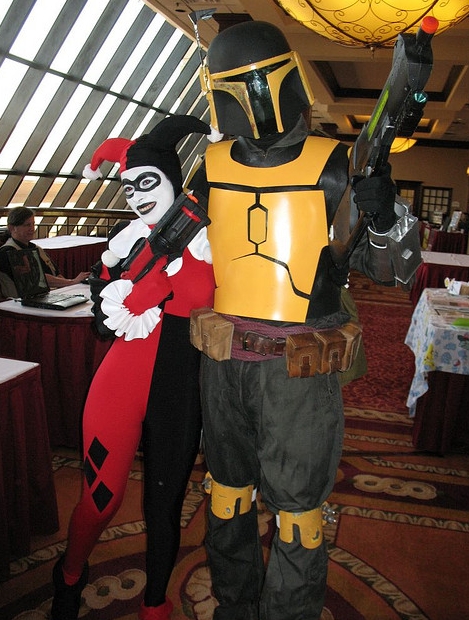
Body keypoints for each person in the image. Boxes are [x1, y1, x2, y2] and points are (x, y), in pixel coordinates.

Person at [187, 21, 414, 620]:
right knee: (226, 495)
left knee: (298, 517)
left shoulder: (334, 166)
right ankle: (235, 606)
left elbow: (392, 270)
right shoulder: (210, 165)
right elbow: (179, 240)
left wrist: (384, 215)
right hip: (224, 362)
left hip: (298, 371)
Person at [50, 115, 216, 620]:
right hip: (121, 381)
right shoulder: (124, 246)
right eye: (128, 188)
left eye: (147, 182)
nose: (137, 196)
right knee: (100, 498)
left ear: (173, 180)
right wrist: (136, 287)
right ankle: (69, 573)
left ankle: (154, 603)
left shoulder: (212, 241)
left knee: (165, 506)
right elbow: (104, 323)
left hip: (181, 386)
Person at [0, 206, 90, 292]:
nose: (32, 229)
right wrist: (71, 282)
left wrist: (68, 288)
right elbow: (38, 278)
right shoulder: (7, 252)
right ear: (12, 228)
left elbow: (55, 273)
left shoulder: (35, 248)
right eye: (27, 225)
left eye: (33, 224)